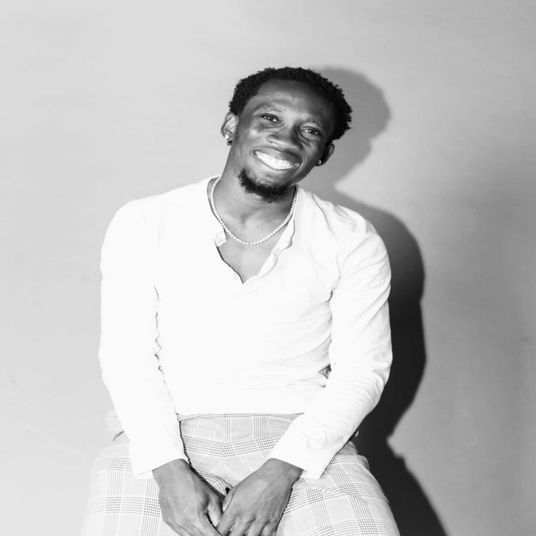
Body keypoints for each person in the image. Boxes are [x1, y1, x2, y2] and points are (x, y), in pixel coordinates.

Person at [83, 67, 400, 536]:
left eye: (310, 131)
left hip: (302, 438)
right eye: (270, 118)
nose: (285, 140)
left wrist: (280, 472)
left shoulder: (351, 238)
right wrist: (168, 469)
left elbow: (363, 371)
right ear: (232, 125)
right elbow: (127, 359)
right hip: (169, 433)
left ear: (325, 153)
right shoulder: (146, 222)